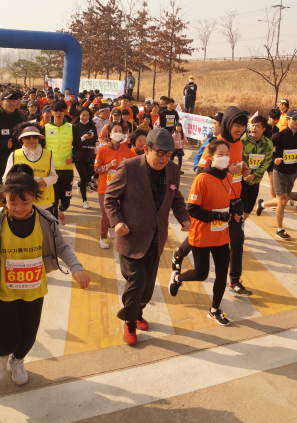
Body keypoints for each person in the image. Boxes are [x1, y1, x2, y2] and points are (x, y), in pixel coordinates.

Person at [0, 164, 90, 385]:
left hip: (34, 291)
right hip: (3, 292)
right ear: (4, 198)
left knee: (27, 339)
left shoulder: (46, 220)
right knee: (9, 339)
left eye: (25, 202)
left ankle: (17, 361)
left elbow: (61, 247)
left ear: (34, 198)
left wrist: (76, 267)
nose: (18, 207)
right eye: (12, 202)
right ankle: (2, 355)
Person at [104, 129, 190, 345]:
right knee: (136, 281)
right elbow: (111, 198)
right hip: (131, 236)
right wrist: (117, 222)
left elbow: (176, 197)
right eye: (160, 153)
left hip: (156, 236)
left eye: (168, 154)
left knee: (148, 287)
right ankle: (130, 323)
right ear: (146, 148)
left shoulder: (173, 170)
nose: (164, 158)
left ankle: (138, 311)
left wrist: (183, 217)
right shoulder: (129, 167)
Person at [176, 107, 251, 295]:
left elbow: (237, 168)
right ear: (227, 123)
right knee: (201, 236)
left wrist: (244, 170)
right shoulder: (218, 144)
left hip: (235, 201)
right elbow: (200, 172)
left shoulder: (240, 145)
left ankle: (234, 281)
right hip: (215, 203)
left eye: (243, 125)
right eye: (236, 124)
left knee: (237, 240)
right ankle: (180, 253)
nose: (240, 129)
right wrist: (227, 171)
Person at [169, 139, 235, 325]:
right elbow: (192, 209)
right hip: (203, 234)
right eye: (220, 154)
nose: (224, 158)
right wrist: (217, 216)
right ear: (211, 156)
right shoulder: (202, 178)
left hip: (221, 234)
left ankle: (215, 310)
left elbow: (229, 200)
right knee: (201, 274)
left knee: (223, 273)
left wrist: (235, 211)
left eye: (226, 154)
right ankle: (178, 277)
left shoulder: (228, 177)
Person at [256, 110, 297, 239]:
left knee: (282, 200)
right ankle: (279, 229)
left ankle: (262, 204)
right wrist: (275, 159)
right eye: (294, 119)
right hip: (280, 171)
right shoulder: (278, 136)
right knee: (283, 200)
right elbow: (268, 150)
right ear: (287, 120)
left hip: (293, 172)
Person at [94, 122, 137, 248]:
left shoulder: (127, 151)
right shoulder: (102, 150)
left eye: (120, 131)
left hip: (120, 189)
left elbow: (137, 162)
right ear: (109, 134)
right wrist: (109, 166)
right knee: (106, 214)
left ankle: (112, 228)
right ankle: (103, 237)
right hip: (104, 188)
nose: (118, 133)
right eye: (115, 131)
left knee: (117, 212)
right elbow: (96, 169)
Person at [3, 123, 57, 213]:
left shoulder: (48, 154)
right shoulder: (14, 155)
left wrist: (45, 181)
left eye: (35, 137)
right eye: (27, 137)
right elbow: (5, 179)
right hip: (21, 202)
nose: (31, 139)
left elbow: (54, 176)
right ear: (22, 139)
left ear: (39, 138)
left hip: (44, 203)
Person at [43, 101, 81, 223]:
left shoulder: (71, 128)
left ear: (65, 112)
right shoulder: (45, 128)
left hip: (66, 171)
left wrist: (73, 158)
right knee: (53, 200)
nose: (58, 112)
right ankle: (54, 224)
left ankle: (60, 209)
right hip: (51, 171)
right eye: (56, 110)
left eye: (61, 110)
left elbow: (79, 149)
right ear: (52, 112)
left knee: (66, 202)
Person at [241, 115, 273, 220]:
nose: (254, 128)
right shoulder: (242, 140)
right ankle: (236, 230)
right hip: (241, 179)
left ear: (263, 129)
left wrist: (254, 176)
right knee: (241, 205)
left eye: (257, 126)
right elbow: (237, 157)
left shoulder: (268, 144)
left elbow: (266, 163)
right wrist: (244, 170)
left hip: (255, 180)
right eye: (252, 125)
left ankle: (240, 226)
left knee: (249, 207)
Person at [73, 107, 98, 209]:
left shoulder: (92, 125)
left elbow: (96, 137)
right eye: (83, 115)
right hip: (79, 154)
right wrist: (83, 138)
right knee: (84, 178)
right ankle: (84, 200)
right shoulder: (75, 126)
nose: (85, 117)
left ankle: (80, 184)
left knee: (88, 178)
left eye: (87, 115)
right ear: (79, 115)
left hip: (90, 154)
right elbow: (73, 142)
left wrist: (97, 142)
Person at [265, 108, 281, 203]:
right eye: (274, 119)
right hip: (261, 158)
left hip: (271, 157)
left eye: (277, 119)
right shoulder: (263, 127)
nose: (275, 121)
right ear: (269, 117)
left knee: (272, 181)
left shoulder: (277, 129)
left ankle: (274, 201)